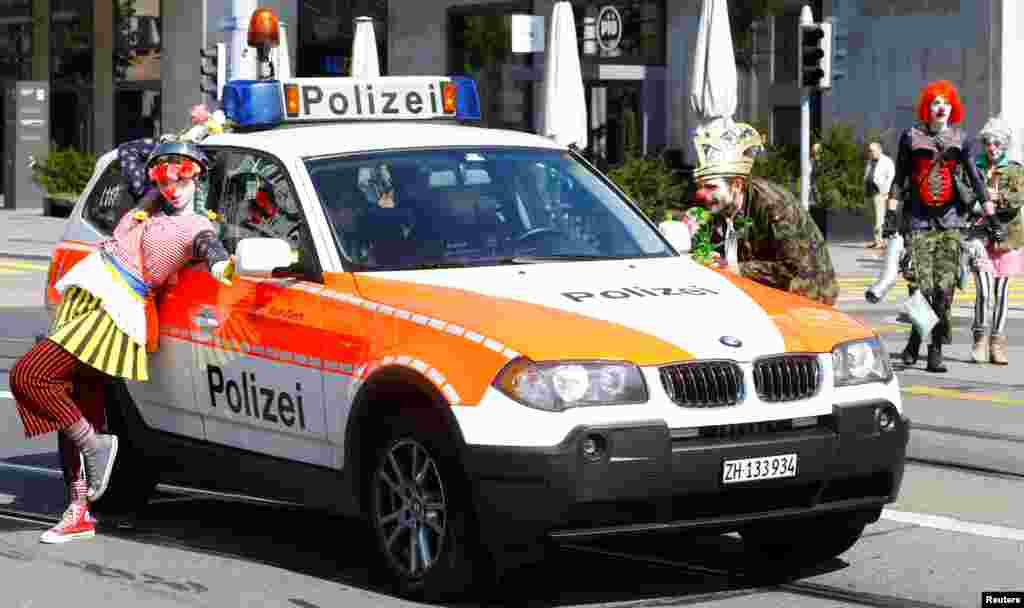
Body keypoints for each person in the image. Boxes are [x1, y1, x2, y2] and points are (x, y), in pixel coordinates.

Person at [9, 138, 235, 544]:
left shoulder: (197, 226)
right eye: (164, 175)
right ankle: (78, 509)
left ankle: (94, 446)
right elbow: (130, 150)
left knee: (29, 376)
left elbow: (209, 247)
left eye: (183, 176)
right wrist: (188, 137)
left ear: (199, 177)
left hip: (116, 310)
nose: (172, 185)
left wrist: (220, 263)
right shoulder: (149, 200)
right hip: (90, 295)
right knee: (78, 399)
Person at [883, 79, 1004, 373]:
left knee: (944, 290)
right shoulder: (910, 136)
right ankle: (915, 341)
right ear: (928, 107)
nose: (941, 107)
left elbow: (976, 181)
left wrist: (992, 219)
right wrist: (890, 217)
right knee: (921, 288)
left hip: (951, 222)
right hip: (919, 221)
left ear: (953, 108)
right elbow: (899, 179)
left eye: (946, 103)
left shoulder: (961, 139)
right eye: (936, 102)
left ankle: (932, 349)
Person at [690, 120, 839, 306]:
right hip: (759, 295)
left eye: (711, 187)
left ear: (736, 185)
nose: (702, 194)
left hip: (805, 297)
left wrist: (733, 267)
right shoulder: (719, 206)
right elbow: (705, 245)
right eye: (701, 187)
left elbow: (790, 269)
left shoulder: (775, 205)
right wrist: (705, 254)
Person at [965, 115, 1024, 364]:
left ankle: (997, 342)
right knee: (984, 292)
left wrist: (990, 196)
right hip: (979, 236)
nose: (992, 148)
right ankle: (979, 339)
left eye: (997, 143)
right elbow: (967, 195)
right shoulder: (973, 166)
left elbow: (1016, 198)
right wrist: (982, 198)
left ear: (1005, 144)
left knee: (1002, 293)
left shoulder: (1014, 168)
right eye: (988, 143)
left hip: (1008, 236)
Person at [865, 141, 896, 249]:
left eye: (872, 150)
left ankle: (880, 241)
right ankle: (876, 240)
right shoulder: (870, 161)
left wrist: (885, 191)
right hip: (869, 193)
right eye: (869, 150)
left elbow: (891, 177)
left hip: (879, 193)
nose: (870, 152)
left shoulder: (887, 161)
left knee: (879, 219)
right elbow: (868, 175)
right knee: (873, 218)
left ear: (879, 150)